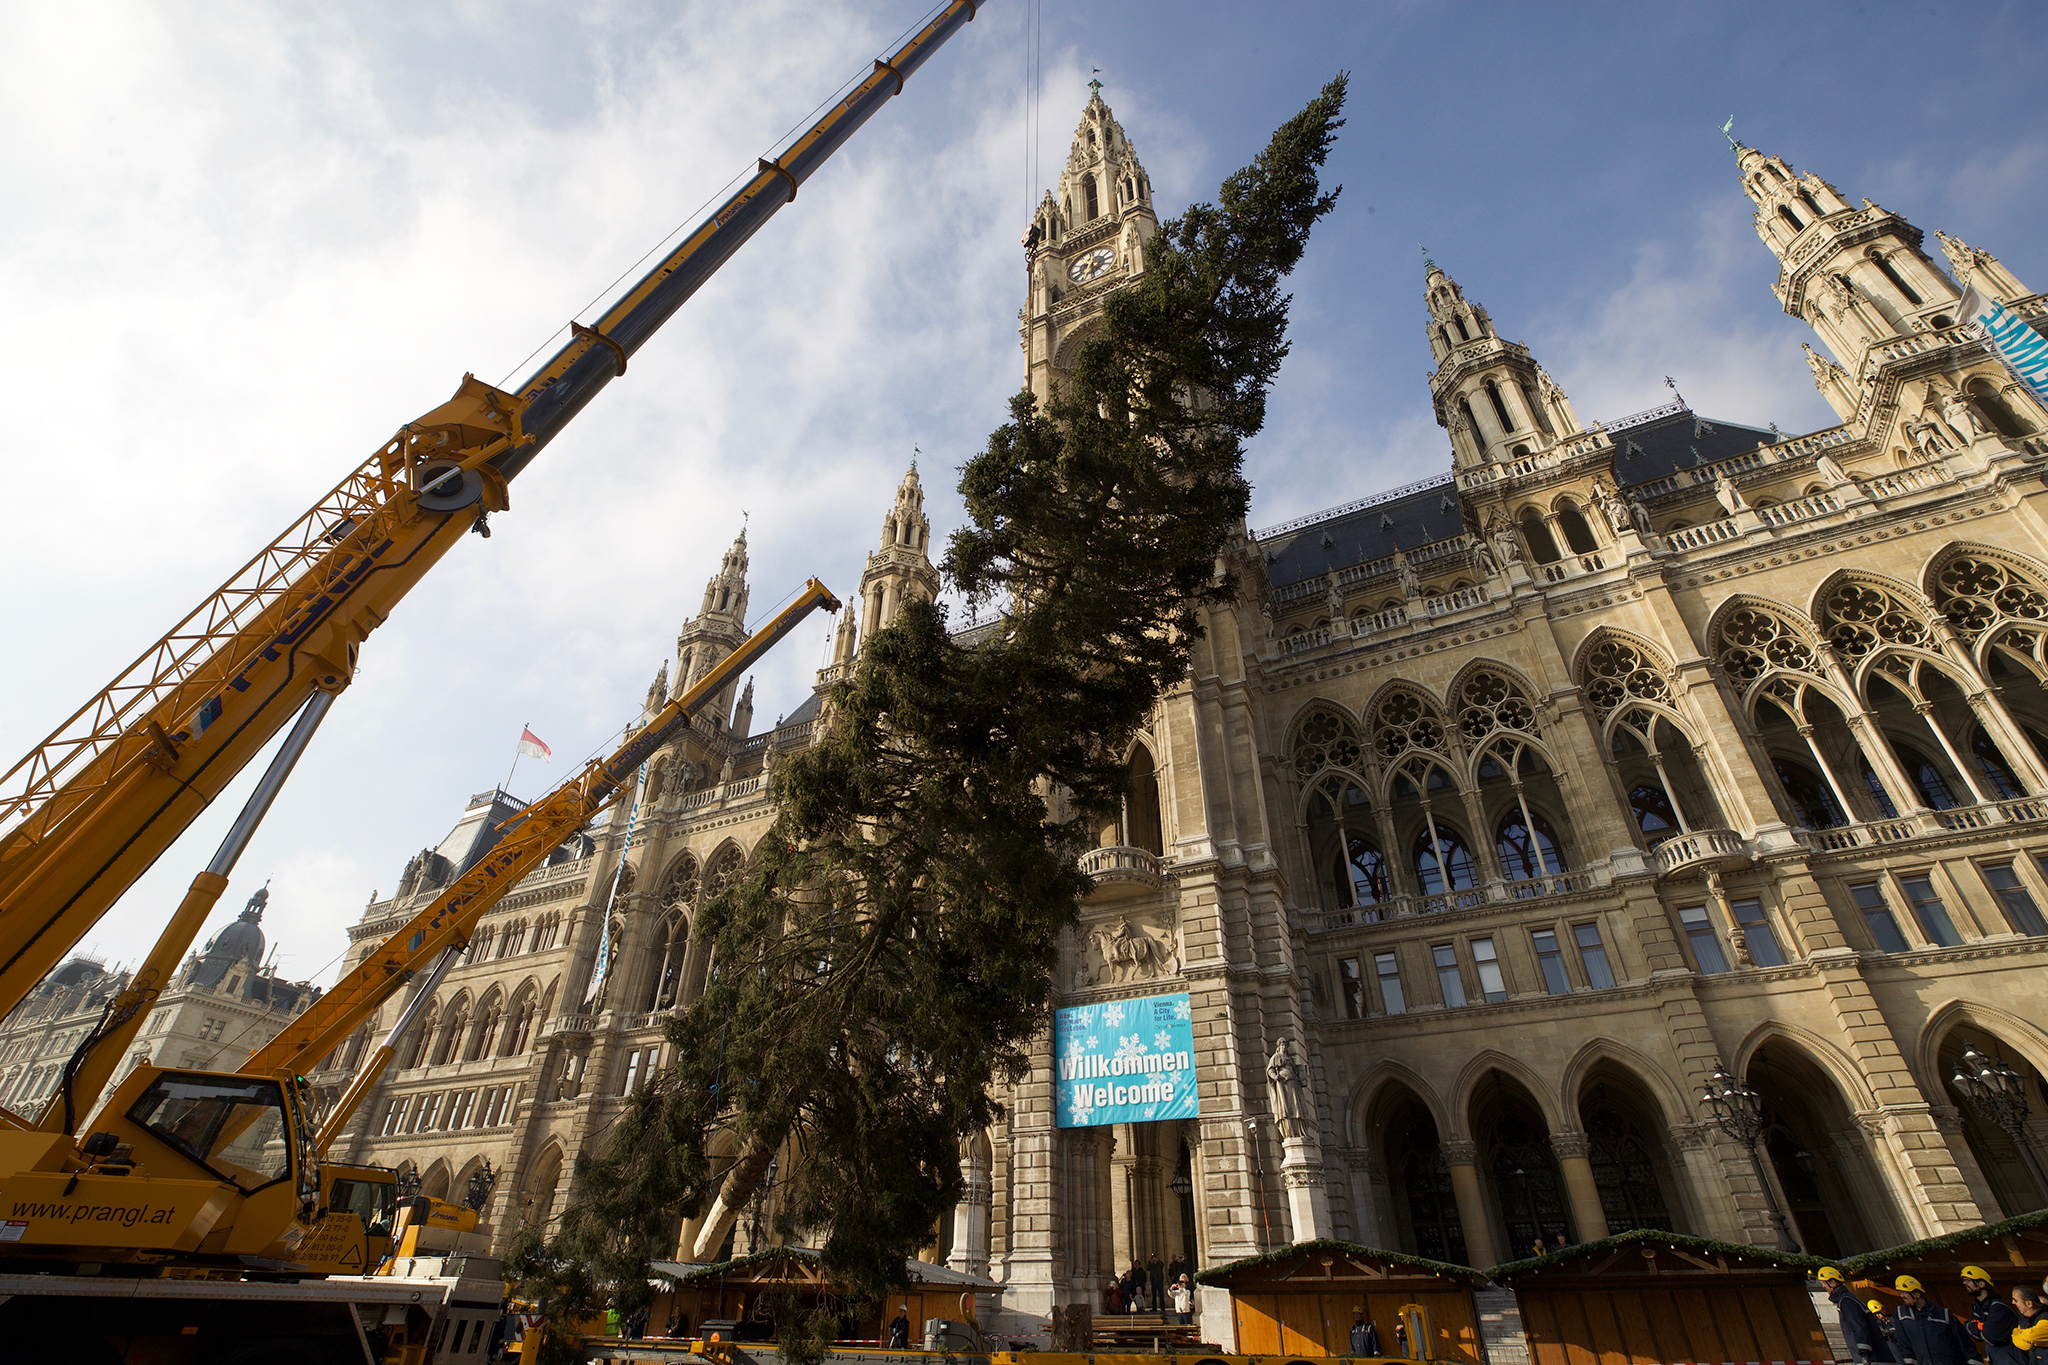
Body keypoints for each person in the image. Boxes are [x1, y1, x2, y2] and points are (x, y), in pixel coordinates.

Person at [1892, 1274, 1975, 1365]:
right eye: (1900, 1293)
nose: (1901, 1296)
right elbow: (1903, 1344)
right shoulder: (1902, 1314)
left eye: (1904, 1293)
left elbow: (1963, 1341)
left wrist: (1974, 1361)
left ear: (1917, 1294)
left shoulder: (1943, 1314)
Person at [1819, 1266, 1896, 1363]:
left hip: (1873, 1359)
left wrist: (1864, 1354)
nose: (1823, 1286)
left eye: (1823, 1283)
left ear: (1833, 1283)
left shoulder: (1846, 1301)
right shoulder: (1848, 1299)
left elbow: (1858, 1326)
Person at [1965, 1265, 2028, 1365]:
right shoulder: (1978, 1308)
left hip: (2011, 1359)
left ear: (1981, 1284)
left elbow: (1991, 1336)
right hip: (1998, 1358)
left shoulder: (1999, 1308)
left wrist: (1978, 1326)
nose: (1965, 1283)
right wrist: (1981, 1327)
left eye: (1968, 1280)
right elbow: (1968, 1326)